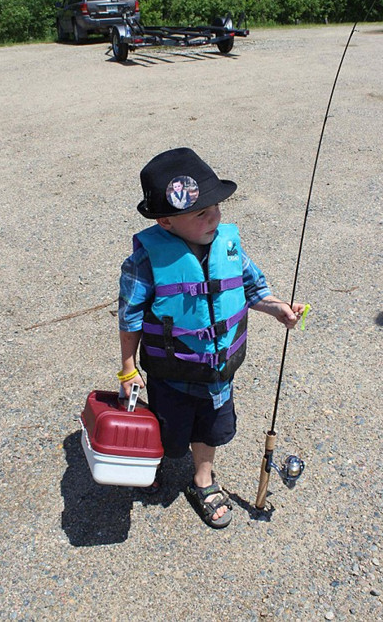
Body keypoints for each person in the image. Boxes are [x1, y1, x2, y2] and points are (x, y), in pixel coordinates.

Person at [118, 148, 304, 529]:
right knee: (167, 432)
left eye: (217, 207)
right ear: (166, 221)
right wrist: (128, 368)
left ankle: (202, 478)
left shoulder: (229, 246)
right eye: (200, 213)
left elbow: (253, 288)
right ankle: (148, 466)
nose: (214, 217)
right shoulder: (144, 261)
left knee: (211, 428)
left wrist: (277, 308)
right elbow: (130, 316)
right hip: (172, 372)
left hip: (220, 372)